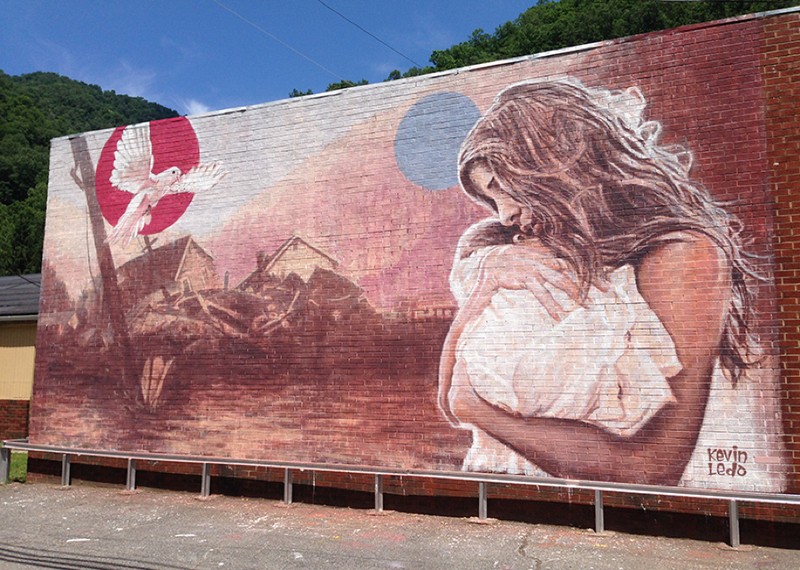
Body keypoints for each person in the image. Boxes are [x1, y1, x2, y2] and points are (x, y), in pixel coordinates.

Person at [438, 79, 784, 488]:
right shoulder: (505, 250)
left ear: (555, 163)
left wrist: (483, 412)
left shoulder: (682, 256)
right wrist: (484, 287)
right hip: (492, 482)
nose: (504, 215)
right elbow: (448, 400)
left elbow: (652, 466)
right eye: (491, 201)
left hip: (578, 507)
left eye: (501, 188)